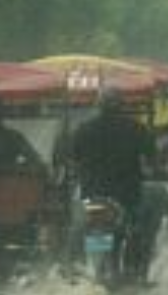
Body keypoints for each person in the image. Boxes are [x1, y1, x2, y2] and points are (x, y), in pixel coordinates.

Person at [67, 85, 160, 265]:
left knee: (85, 226)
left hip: (93, 194)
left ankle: (86, 264)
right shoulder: (136, 128)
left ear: (98, 105)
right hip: (127, 195)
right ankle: (136, 268)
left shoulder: (84, 129)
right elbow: (151, 157)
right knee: (139, 228)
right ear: (122, 105)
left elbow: (73, 158)